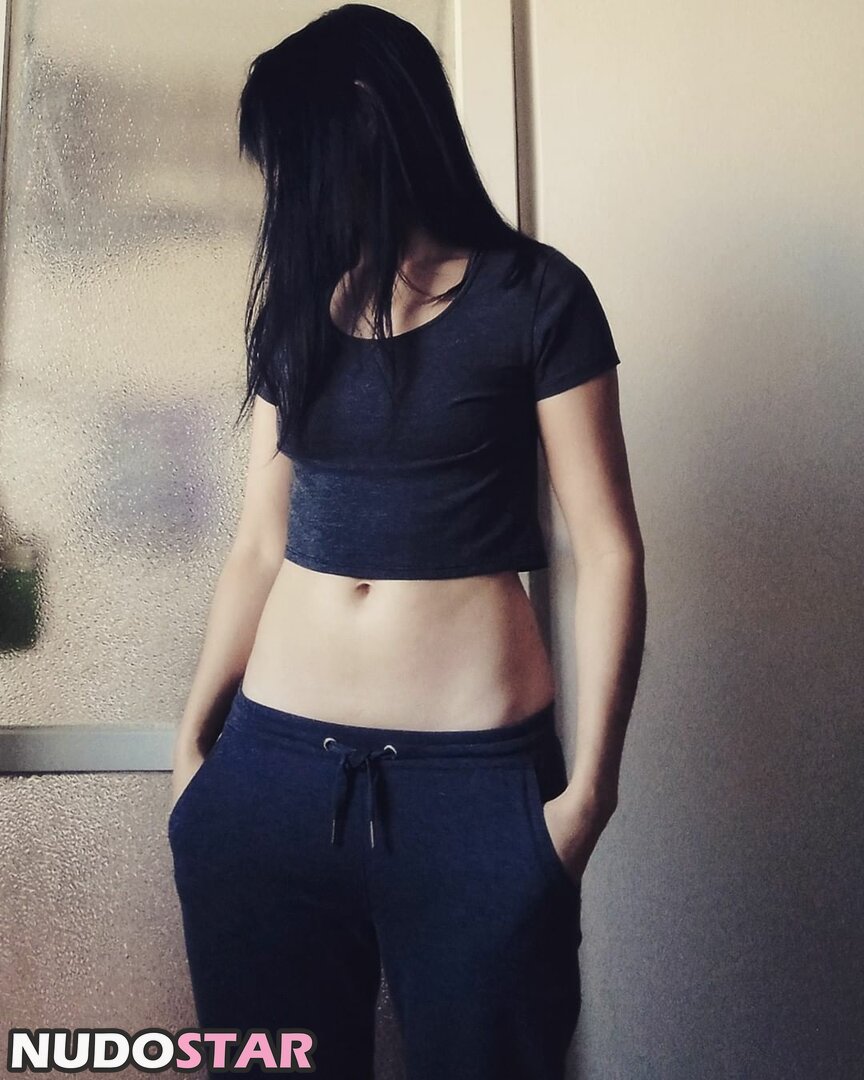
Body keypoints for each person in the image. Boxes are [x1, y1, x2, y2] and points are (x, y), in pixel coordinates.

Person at [167, 5, 646, 1079]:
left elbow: (609, 550)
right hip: (267, 779)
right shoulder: (301, 305)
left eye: (295, 154)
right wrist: (193, 750)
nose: (285, 187)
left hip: (471, 790)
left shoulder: (536, 297)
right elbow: (259, 543)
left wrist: (589, 797)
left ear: (369, 120)